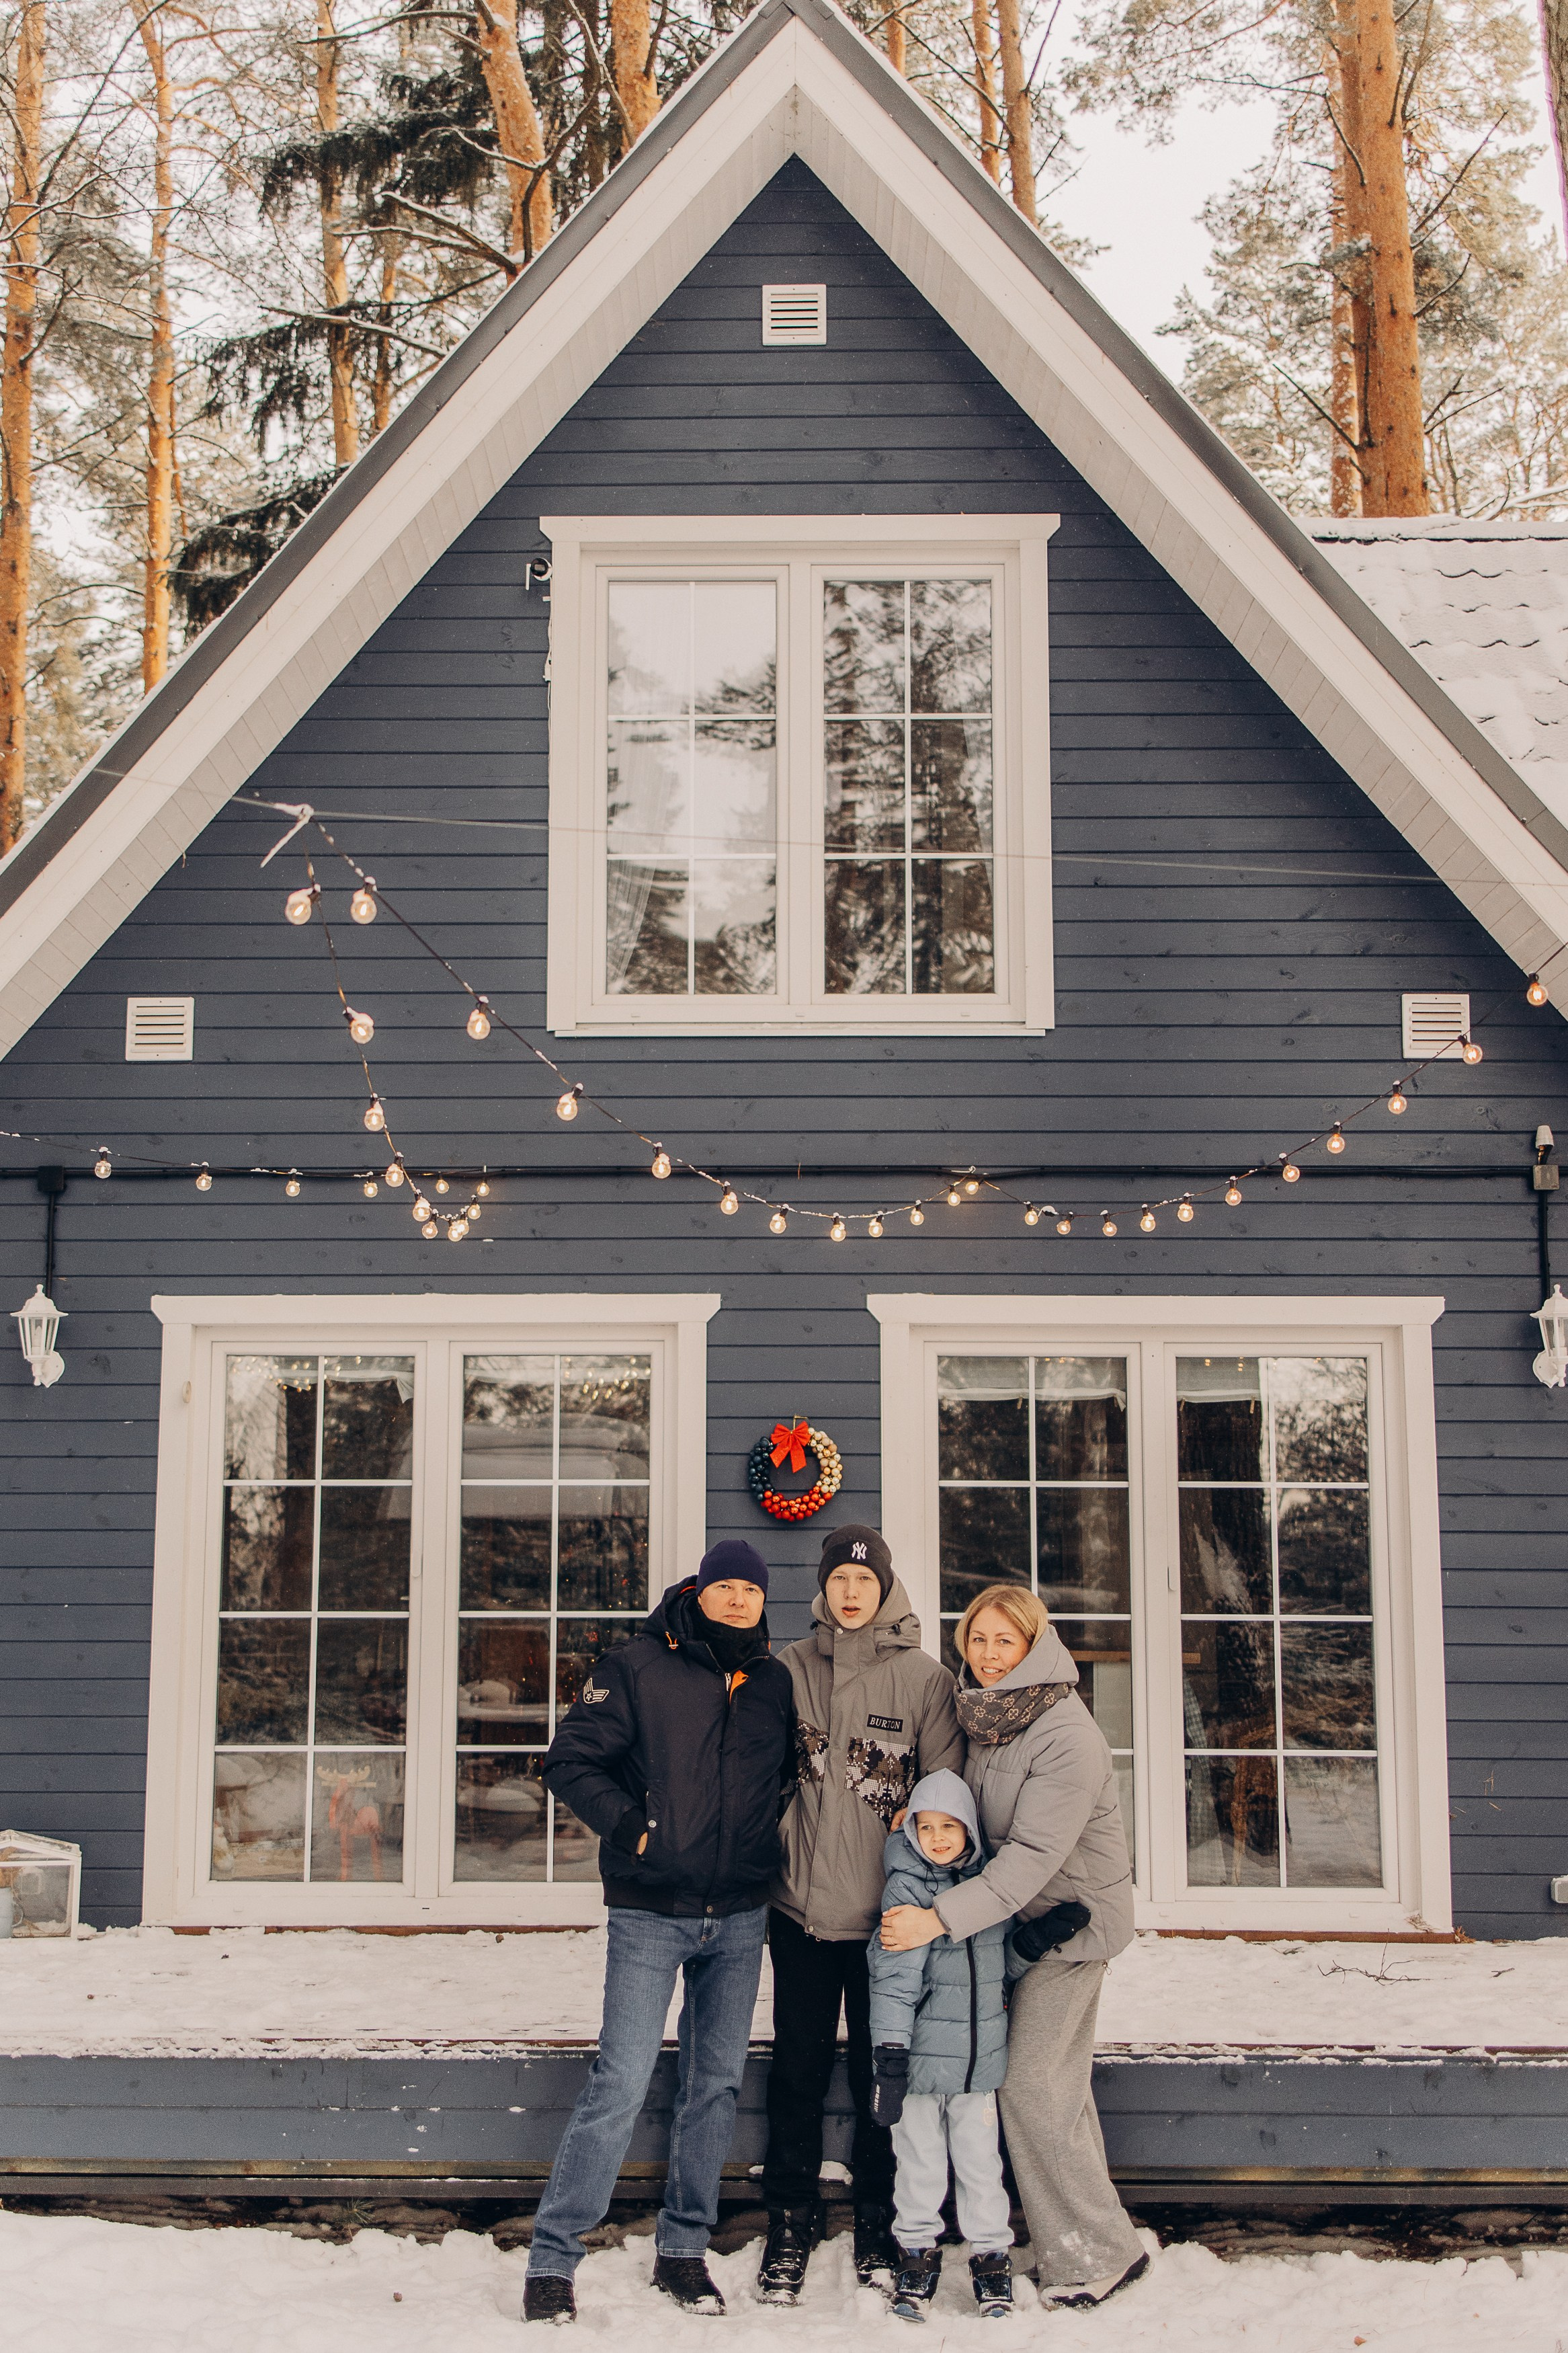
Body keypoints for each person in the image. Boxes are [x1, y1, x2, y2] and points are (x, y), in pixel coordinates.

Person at [522, 1539, 795, 2325]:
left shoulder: (773, 1681)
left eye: (751, 1587)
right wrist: (635, 1830)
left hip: (741, 1915)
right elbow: (570, 1761)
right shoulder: (636, 1666)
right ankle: (553, 2256)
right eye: (725, 1586)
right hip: (650, 1911)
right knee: (621, 2079)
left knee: (715, 2085)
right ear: (699, 1591)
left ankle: (683, 2249)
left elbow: (780, 1780)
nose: (739, 1598)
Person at [880, 1583, 1148, 2313]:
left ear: (1033, 1645)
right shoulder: (987, 1715)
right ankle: (1089, 2235)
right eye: (977, 1639)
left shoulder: (1063, 1731)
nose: (989, 1654)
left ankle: (1095, 2253)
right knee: (1055, 2088)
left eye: (1005, 1641)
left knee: (1030, 2085)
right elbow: (972, 1808)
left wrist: (937, 1920)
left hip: (1069, 1926)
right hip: (1015, 1927)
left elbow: (1029, 1855)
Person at [757, 1522, 962, 2305]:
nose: (850, 1592)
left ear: (884, 1588)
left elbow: (944, 1805)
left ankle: (882, 2212)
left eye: (864, 1580)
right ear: (823, 1586)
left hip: (889, 1921)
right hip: (799, 1909)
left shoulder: (922, 1679)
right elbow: (762, 1770)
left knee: (882, 2074)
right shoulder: (790, 1667)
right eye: (838, 1580)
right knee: (798, 2068)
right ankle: (789, 2216)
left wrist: (920, 1905)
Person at [866, 1769, 1014, 2322]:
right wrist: (890, 2056)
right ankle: (916, 2253)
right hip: (921, 2065)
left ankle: (991, 2255)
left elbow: (999, 1964)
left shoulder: (987, 1889)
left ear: (970, 1830)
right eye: (925, 1827)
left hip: (977, 2065)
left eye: (949, 1826)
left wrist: (1036, 1941)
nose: (937, 1837)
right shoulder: (906, 1892)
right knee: (920, 2162)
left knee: (980, 2165)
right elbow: (893, 1979)